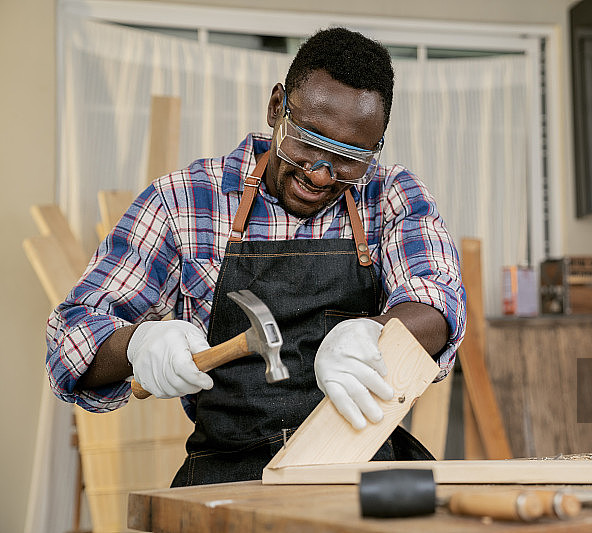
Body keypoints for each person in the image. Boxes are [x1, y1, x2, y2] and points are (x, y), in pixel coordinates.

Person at [45, 27, 466, 486]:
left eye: (350, 157)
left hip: (363, 470)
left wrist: (377, 334)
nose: (322, 174)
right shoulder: (184, 200)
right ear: (275, 108)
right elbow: (69, 339)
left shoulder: (391, 197)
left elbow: (437, 304)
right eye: (309, 142)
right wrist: (137, 344)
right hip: (228, 476)